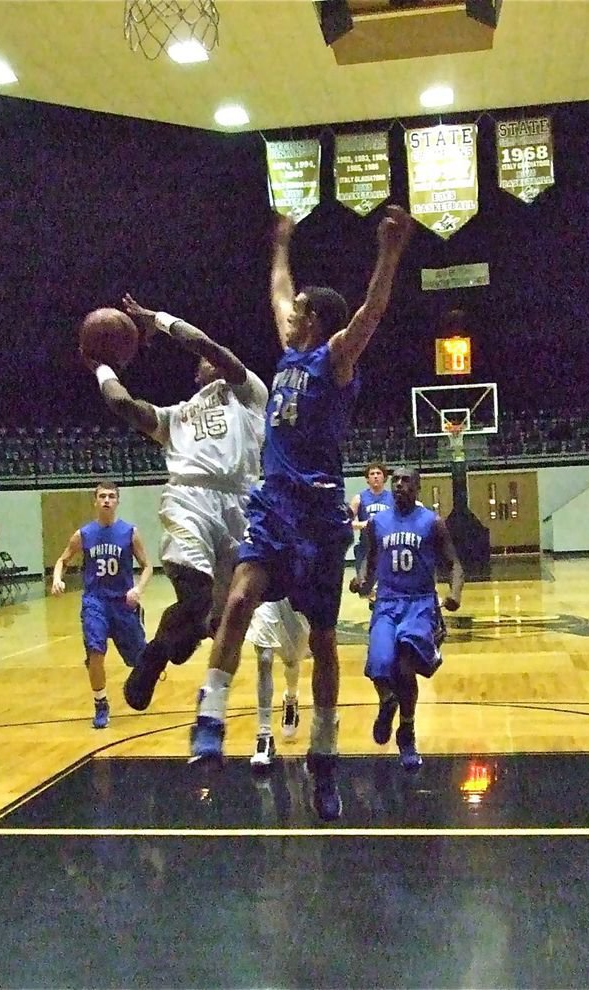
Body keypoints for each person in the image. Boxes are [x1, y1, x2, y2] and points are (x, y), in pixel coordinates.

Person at [190, 205, 415, 821]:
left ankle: (324, 757)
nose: (287, 315)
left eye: (298, 313)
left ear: (316, 321)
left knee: (321, 641)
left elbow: (371, 312)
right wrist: (281, 242)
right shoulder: (288, 358)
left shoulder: (335, 359)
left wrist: (390, 252)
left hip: (318, 519)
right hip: (273, 508)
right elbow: (278, 288)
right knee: (235, 601)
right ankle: (209, 719)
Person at [89, 294, 267, 712]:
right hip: (189, 498)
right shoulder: (174, 416)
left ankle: (184, 634)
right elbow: (122, 404)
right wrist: (100, 366)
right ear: (196, 374)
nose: (209, 360)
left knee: (219, 621)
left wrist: (160, 320)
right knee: (197, 594)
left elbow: (209, 346)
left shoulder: (247, 393)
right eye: (202, 362)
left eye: (213, 357)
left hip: (241, 505)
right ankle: (153, 657)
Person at [351, 467, 463, 770]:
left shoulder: (432, 523)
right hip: (387, 603)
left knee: (404, 668)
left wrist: (454, 594)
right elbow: (369, 562)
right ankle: (387, 702)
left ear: (417, 487)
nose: (399, 485)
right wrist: (361, 580)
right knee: (379, 666)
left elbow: (454, 564)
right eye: (396, 480)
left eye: (406, 481)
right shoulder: (378, 523)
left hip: (419, 605)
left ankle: (408, 730)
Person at [51, 481, 152, 729]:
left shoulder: (129, 532)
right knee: (96, 652)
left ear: (117, 501)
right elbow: (62, 560)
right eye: (102, 496)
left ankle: (143, 659)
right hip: (95, 601)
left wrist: (138, 589)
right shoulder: (84, 534)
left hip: (123, 603)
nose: (107, 500)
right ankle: (101, 703)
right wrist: (56, 579)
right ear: (95, 501)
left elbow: (147, 565)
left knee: (138, 661)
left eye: (111, 496)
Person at [245, 598, 309, 771]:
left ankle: (291, 697)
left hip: (294, 597)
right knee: (264, 659)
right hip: (265, 596)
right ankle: (264, 736)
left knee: (292, 661)